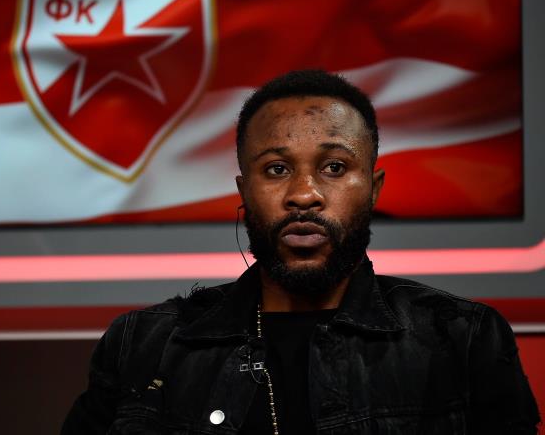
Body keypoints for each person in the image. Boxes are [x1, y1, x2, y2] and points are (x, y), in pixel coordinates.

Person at [62, 69, 540, 434]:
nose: (304, 195)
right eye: (276, 169)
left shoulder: (463, 339)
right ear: (244, 191)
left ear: (373, 188)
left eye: (334, 167)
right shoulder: (143, 345)